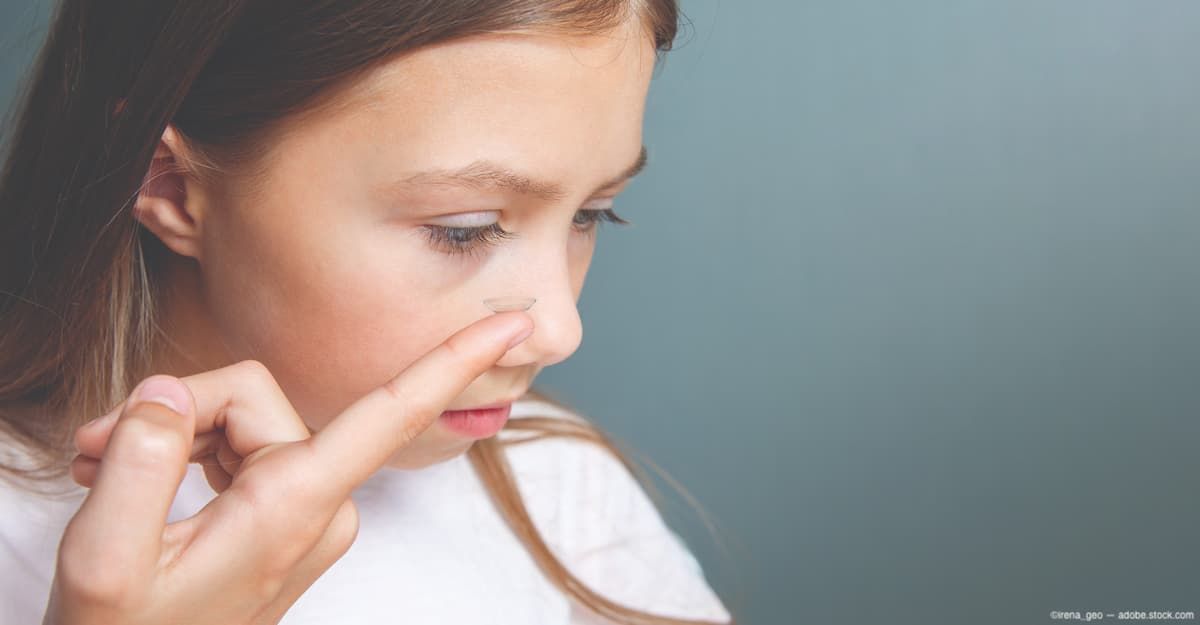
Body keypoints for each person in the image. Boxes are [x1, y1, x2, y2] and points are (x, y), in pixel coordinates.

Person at [0, 1, 736, 624]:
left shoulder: (559, 485)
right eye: (466, 227)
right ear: (166, 185)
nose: (559, 332)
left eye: (592, 215)